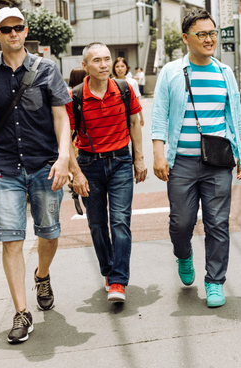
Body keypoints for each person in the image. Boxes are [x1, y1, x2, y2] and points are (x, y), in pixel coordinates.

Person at [0, 7, 72, 344]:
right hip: (4, 168)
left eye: (19, 28)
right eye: (6, 29)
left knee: (49, 232)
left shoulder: (47, 70)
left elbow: (62, 118)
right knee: (11, 239)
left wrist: (64, 158)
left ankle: (42, 274)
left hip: (44, 165)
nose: (13, 33)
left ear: (26, 32)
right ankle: (22, 312)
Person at [151, 9, 241, 308]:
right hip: (180, 162)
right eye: (202, 34)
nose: (209, 39)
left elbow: (234, 113)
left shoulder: (224, 72)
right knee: (181, 223)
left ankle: (215, 281)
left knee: (218, 223)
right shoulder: (170, 72)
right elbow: (159, 114)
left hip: (217, 162)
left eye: (212, 33)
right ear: (186, 38)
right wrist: (158, 152)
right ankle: (183, 254)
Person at [68, 43, 146, 304]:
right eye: (97, 60)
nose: (103, 65)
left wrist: (139, 159)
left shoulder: (124, 90)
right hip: (89, 165)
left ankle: (118, 280)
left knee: (120, 221)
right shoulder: (75, 97)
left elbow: (135, 122)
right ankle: (108, 270)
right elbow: (66, 138)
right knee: (97, 224)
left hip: (121, 162)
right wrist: (75, 172)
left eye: (107, 59)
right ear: (85, 66)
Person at [113, 57, 144, 126]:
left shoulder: (133, 82)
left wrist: (141, 117)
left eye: (122, 66)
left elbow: (137, 102)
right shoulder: (110, 82)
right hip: (115, 118)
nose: (120, 69)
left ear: (126, 68)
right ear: (114, 69)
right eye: (117, 66)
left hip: (130, 116)